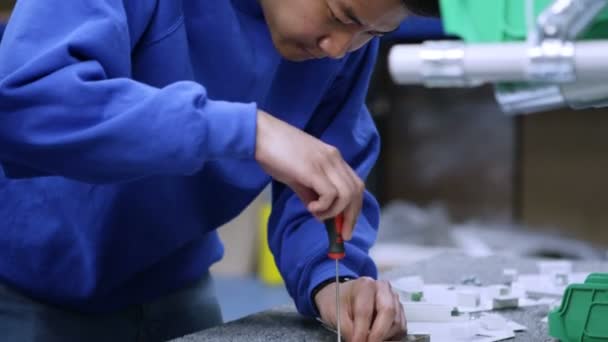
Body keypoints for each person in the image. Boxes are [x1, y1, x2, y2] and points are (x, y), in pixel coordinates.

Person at [0, 0, 439, 341]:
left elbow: (323, 183)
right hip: (24, 287)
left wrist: (334, 279)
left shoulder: (344, 41)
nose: (340, 47)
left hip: (173, 283)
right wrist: (247, 131)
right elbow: (27, 106)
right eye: (340, 15)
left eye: (373, 31)